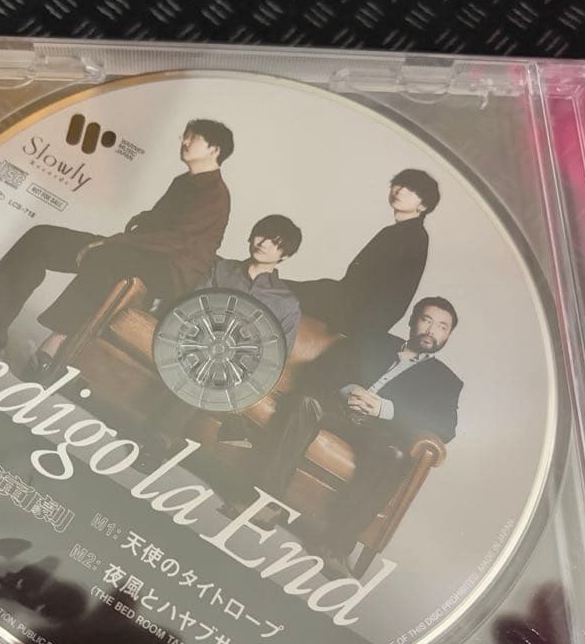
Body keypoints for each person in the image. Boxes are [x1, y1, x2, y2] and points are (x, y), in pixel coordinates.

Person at [0, 119, 233, 362]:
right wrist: (132, 228)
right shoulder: (184, 182)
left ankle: (54, 345)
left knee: (104, 257)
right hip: (138, 251)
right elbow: (154, 228)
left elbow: (177, 241)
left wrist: (114, 243)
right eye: (185, 135)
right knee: (41, 237)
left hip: (166, 271)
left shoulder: (215, 195)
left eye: (193, 137)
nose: (184, 141)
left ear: (214, 149)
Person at [255, 296, 463, 577]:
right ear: (413, 321)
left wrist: (386, 409)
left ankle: (334, 546)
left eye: (441, 327)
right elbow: (323, 368)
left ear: (448, 335)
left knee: (395, 456)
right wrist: (348, 389)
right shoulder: (376, 341)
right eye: (426, 320)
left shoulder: (446, 381)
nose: (431, 330)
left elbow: (445, 426)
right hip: (336, 408)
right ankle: (266, 503)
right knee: (305, 403)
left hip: (379, 432)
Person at [141, 214, 303, 460]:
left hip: (237, 365)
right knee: (211, 359)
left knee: (215, 365)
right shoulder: (222, 269)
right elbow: (191, 308)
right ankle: (164, 440)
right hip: (200, 341)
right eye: (262, 235)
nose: (263, 243)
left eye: (275, 242)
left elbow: (278, 355)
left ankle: (159, 440)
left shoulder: (286, 302)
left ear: (285, 255)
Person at [289, 168, 439, 336]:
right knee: (281, 287)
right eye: (399, 184)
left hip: (352, 316)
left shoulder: (413, 236)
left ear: (423, 205)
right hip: (346, 304)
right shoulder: (401, 231)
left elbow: (396, 298)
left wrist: (359, 333)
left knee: (280, 290)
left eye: (411, 190)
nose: (400, 191)